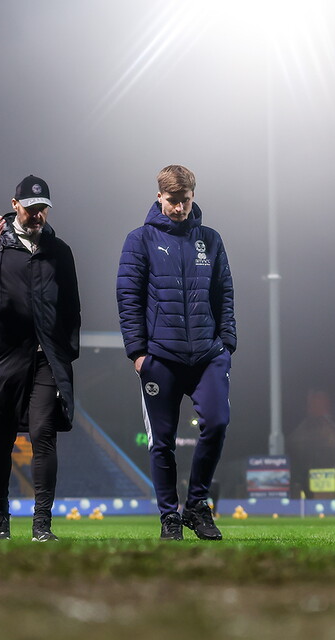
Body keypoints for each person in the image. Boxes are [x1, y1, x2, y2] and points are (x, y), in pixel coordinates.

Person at [0, 175, 81, 542]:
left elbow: (72, 306)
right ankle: (0, 517)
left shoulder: (60, 252)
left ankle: (42, 525)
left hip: (45, 359)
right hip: (3, 360)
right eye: (31, 208)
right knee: (2, 439)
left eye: (43, 208)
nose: (38, 215)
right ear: (15, 206)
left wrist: (65, 351)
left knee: (44, 435)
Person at [117, 165, 236, 541]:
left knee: (217, 422)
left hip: (207, 355)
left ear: (193, 196)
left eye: (186, 200)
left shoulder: (211, 240)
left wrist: (227, 345)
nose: (180, 208)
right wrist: (138, 353)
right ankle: (170, 516)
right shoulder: (140, 240)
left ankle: (197, 506)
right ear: (159, 197)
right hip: (161, 358)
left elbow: (225, 294)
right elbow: (128, 298)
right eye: (172, 201)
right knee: (162, 442)